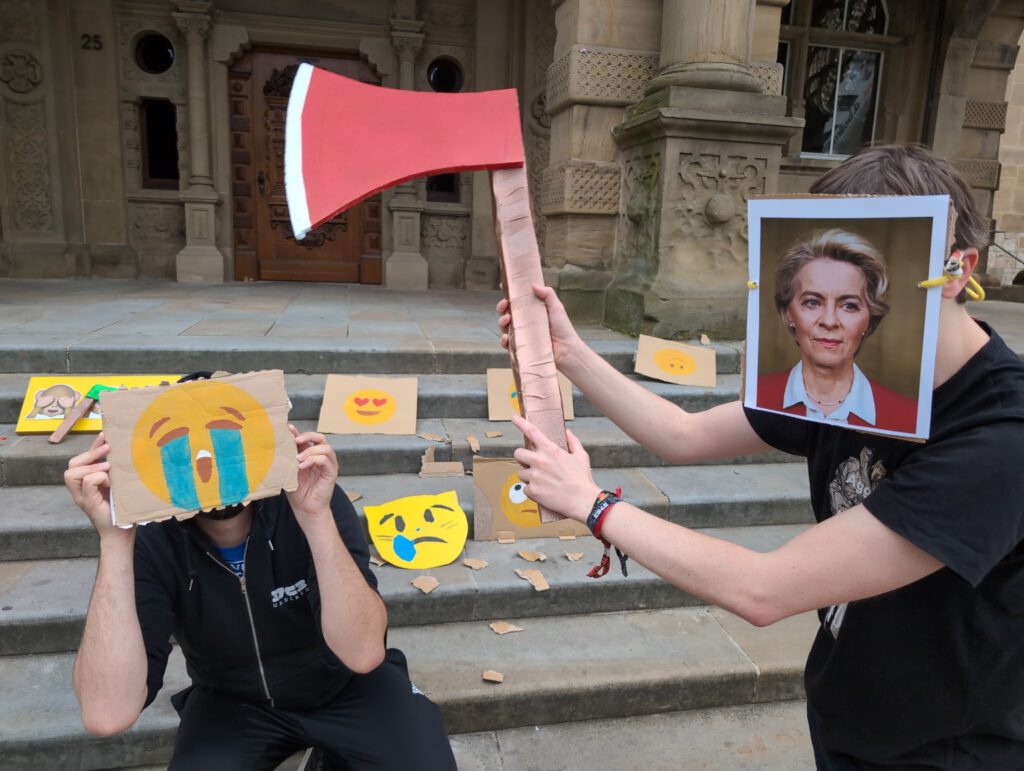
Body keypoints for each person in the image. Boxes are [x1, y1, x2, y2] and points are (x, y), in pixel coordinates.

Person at [499, 145, 1024, 770]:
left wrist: (594, 505)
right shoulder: (841, 380)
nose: (828, 320)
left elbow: (764, 591)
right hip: (851, 714)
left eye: (855, 295)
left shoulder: (1001, 435)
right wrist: (571, 354)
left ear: (957, 269)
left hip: (946, 747)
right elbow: (683, 435)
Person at [65, 373, 456, 771]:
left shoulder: (309, 501)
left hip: (346, 688)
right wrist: (114, 539)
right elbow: (106, 713)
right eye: (180, 444)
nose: (207, 459)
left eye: (225, 437)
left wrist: (315, 517)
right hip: (232, 703)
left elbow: (364, 653)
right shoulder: (153, 538)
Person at [757, 228, 918, 433]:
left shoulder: (908, 416)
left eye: (849, 305)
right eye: (813, 302)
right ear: (788, 314)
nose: (829, 321)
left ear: (869, 321)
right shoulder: (756, 398)